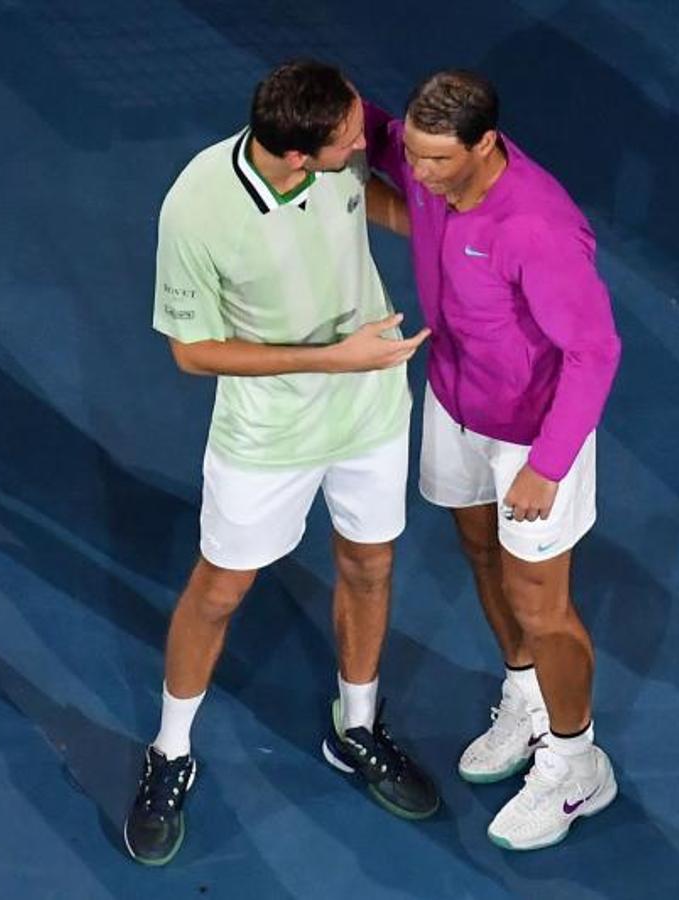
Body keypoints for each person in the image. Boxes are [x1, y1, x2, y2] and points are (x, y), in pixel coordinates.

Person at [125, 59, 440, 867]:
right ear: (299, 153)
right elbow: (191, 353)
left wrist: (429, 221)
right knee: (221, 588)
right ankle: (169, 751)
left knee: (369, 567)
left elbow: (356, 196)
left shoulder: (336, 156)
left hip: (370, 411)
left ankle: (357, 727)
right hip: (268, 434)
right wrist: (333, 359)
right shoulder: (196, 208)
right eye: (347, 135)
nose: (365, 134)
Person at [362, 70, 623, 851]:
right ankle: (524, 697)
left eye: (438, 161)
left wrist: (546, 464)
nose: (420, 174)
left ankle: (578, 766)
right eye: (414, 157)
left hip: (533, 437)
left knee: (542, 603)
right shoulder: (418, 156)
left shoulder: (536, 228)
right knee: (478, 552)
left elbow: (595, 350)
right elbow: (360, 128)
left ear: (485, 145)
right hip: (455, 399)